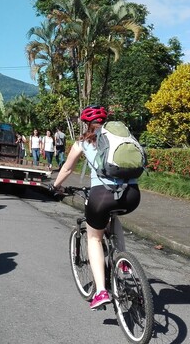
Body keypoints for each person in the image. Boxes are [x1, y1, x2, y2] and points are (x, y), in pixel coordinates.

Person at [51, 105, 140, 309]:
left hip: (102, 196)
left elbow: (67, 168)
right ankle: (124, 262)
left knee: (94, 237)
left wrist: (56, 186)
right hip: (132, 195)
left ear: (86, 124)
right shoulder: (121, 136)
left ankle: (100, 291)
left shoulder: (82, 142)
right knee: (115, 216)